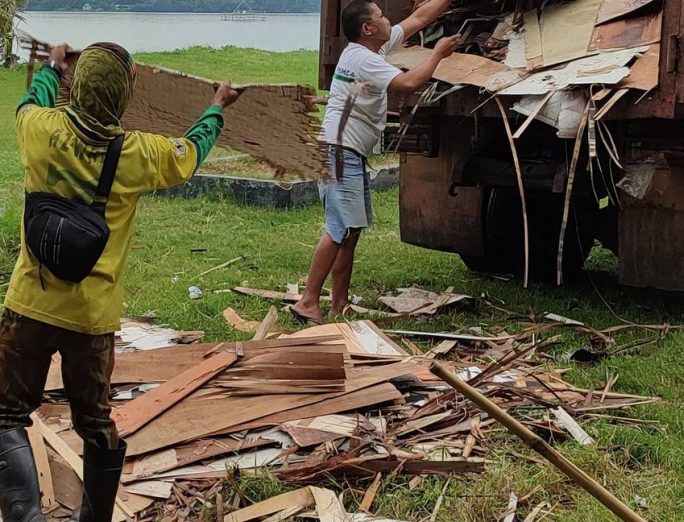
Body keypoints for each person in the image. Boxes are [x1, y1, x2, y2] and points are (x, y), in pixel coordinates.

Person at [0, 42, 240, 522]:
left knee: (5, 415)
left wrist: (52, 67)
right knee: (96, 424)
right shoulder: (139, 154)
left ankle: (25, 517)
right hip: (92, 317)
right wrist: (216, 106)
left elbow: (30, 102)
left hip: (28, 304)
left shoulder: (38, 130)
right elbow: (191, 153)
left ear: (77, 87)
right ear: (126, 92)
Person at [291, 0, 459, 325]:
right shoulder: (364, 59)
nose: (387, 19)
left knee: (350, 231)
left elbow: (419, 18)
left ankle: (339, 303)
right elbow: (408, 84)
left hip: (345, 151)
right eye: (380, 16)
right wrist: (438, 54)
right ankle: (308, 301)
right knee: (339, 228)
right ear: (368, 28)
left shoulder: (371, 50)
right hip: (340, 152)